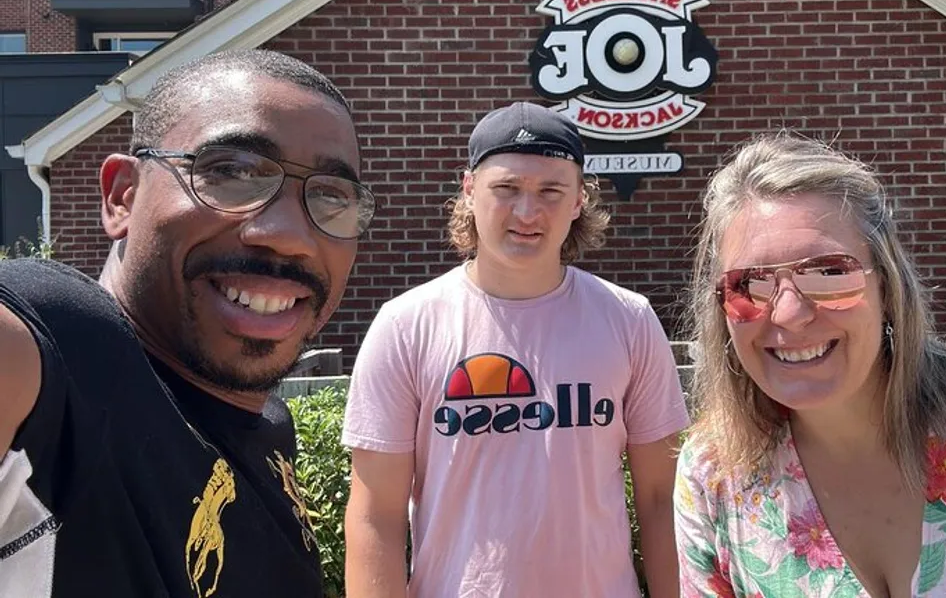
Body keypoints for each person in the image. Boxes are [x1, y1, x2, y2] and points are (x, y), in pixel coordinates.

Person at [0, 49, 376, 597]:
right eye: (232, 172)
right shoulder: (59, 344)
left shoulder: (267, 425)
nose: (291, 234)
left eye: (330, 195)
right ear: (122, 196)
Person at [341, 101, 690, 598]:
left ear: (578, 201)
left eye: (551, 191)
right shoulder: (406, 326)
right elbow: (377, 515)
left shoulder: (628, 319)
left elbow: (661, 500)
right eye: (506, 189)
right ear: (469, 190)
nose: (528, 212)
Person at [673, 132, 946, 597]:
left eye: (829, 272)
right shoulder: (713, 476)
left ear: (887, 289)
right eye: (750, 283)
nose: (788, 313)